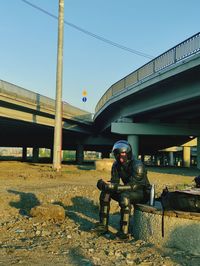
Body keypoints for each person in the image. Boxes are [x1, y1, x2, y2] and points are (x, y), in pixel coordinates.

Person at [96, 140, 151, 239]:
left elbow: (134, 186)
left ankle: (124, 233)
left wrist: (114, 187)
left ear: (128, 154)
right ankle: (103, 225)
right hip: (129, 190)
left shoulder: (137, 165)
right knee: (106, 192)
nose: (121, 159)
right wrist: (104, 185)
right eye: (118, 156)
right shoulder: (116, 165)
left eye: (123, 156)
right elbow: (114, 182)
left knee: (124, 196)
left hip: (143, 193)